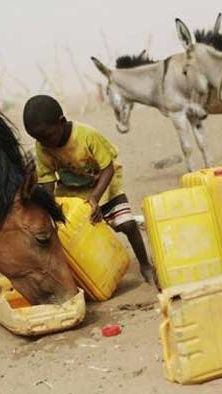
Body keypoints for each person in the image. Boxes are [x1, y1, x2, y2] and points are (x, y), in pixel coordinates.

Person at [23, 94, 154, 285]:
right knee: (67, 235)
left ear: (62, 122)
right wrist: (48, 209)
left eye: (47, 136)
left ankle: (145, 266)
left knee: (127, 224)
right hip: (72, 191)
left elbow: (107, 168)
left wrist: (95, 198)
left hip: (104, 184)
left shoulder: (86, 135)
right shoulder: (42, 146)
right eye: (38, 139)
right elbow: (48, 180)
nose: (44, 143)